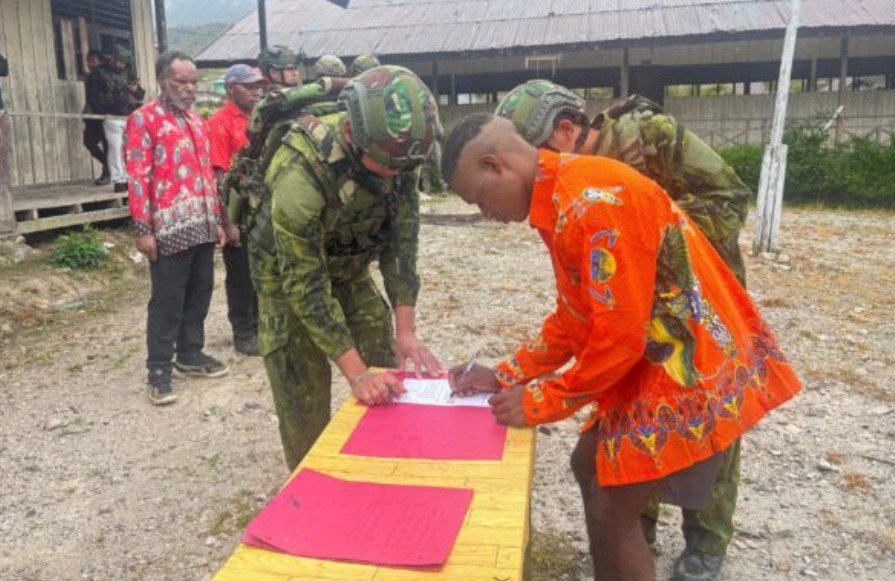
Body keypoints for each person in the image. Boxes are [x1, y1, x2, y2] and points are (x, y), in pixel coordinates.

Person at [442, 113, 801, 581]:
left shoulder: (591, 201)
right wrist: (509, 373)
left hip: (687, 364)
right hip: (656, 354)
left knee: (613, 509)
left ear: (495, 166)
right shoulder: (560, 200)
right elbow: (575, 318)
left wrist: (539, 400)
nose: (483, 213)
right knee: (586, 463)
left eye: (478, 199)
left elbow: (619, 339)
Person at [495, 79, 751, 580]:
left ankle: (706, 541)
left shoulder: (646, 135)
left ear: (567, 130)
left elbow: (729, 197)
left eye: (532, 155)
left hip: (695, 308)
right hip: (634, 312)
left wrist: (654, 232)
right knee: (632, 438)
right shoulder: (566, 189)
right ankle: (636, 530)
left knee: (709, 425)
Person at [247, 65, 442, 470]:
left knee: (386, 368)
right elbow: (305, 283)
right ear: (353, 135)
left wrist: (407, 331)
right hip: (287, 283)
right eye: (387, 165)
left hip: (350, 269)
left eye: (404, 166)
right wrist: (355, 375)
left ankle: (383, 465)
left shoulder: (399, 154)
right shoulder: (299, 171)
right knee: (303, 398)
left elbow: (402, 242)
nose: (397, 175)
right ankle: (311, 487)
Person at [125, 51, 228, 406]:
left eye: (193, 82)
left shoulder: (198, 121)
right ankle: (158, 369)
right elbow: (138, 177)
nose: (188, 88)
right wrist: (143, 229)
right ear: (161, 81)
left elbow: (208, 175)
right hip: (167, 229)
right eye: (180, 81)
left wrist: (216, 221)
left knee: (200, 293)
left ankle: (190, 354)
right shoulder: (143, 120)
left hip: (201, 224)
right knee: (167, 300)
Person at [208, 65, 268, 356]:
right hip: (238, 210)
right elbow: (219, 176)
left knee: (262, 271)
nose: (257, 91)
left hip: (262, 208)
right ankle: (243, 332)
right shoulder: (220, 122)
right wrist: (227, 222)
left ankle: (260, 325)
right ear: (232, 89)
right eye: (249, 86)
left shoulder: (260, 119)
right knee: (241, 274)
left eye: (259, 85)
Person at [87, 44, 144, 193]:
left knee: (128, 149)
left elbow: (140, 95)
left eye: (124, 62)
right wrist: (103, 115)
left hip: (128, 117)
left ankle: (128, 179)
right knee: (114, 148)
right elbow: (92, 98)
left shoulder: (127, 73)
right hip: (111, 117)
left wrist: (135, 90)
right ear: (112, 58)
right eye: (119, 61)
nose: (121, 65)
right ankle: (119, 180)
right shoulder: (98, 73)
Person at [82, 50, 110, 185]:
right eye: (89, 60)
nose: (90, 63)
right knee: (106, 145)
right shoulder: (103, 74)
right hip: (106, 115)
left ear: (99, 61)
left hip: (98, 115)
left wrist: (90, 111)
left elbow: (93, 98)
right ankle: (108, 169)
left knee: (89, 141)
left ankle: (108, 169)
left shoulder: (96, 74)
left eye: (93, 60)